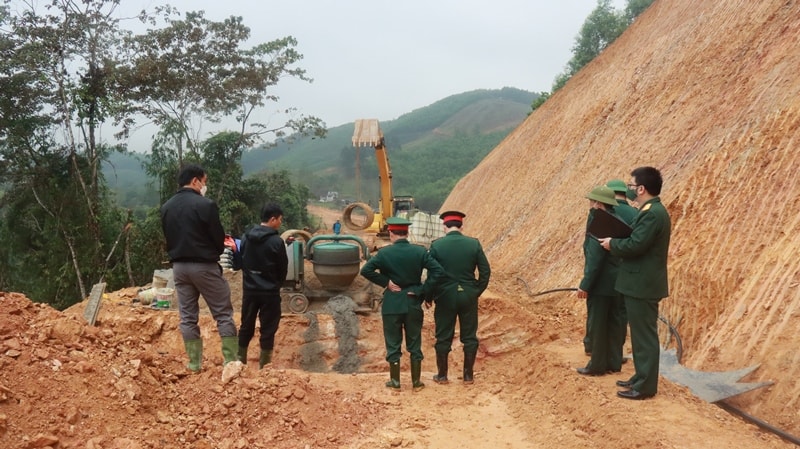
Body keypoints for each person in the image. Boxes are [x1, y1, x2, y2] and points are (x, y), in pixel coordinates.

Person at [599, 166, 671, 400]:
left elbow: (636, 245)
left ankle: (646, 386)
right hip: (640, 282)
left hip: (642, 283)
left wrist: (613, 244)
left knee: (644, 337)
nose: (629, 190)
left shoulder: (652, 213)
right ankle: (640, 377)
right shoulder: (651, 210)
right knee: (640, 335)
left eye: (631, 186)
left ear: (641, 188)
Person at [160, 164, 238, 372]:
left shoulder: (167, 206)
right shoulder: (205, 205)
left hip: (179, 268)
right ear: (195, 181)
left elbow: (168, 237)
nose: (205, 186)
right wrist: (212, 254)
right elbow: (217, 238)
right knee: (223, 314)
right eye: (204, 181)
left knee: (187, 317)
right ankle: (231, 362)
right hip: (204, 266)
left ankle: (194, 364)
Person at [360, 217, 444, 391]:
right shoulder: (419, 251)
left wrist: (386, 282)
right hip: (413, 302)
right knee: (414, 342)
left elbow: (365, 270)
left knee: (393, 342)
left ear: (391, 233)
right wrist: (423, 291)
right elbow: (438, 271)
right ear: (407, 233)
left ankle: (396, 382)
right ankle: (416, 382)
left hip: (392, 302)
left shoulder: (383, 253)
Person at [429, 211, 491, 385]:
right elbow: (485, 272)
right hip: (468, 296)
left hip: (444, 296)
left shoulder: (436, 246)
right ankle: (468, 376)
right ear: (462, 226)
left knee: (443, 336)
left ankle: (442, 375)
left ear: (444, 227)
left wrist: (430, 295)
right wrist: (475, 290)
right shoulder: (474, 244)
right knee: (469, 336)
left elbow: (431, 274)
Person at [576, 186, 626, 376]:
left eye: (592, 201)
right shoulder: (617, 221)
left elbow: (595, 259)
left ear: (598, 203)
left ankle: (596, 365)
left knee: (597, 324)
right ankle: (614, 363)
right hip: (617, 282)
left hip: (601, 284)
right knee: (614, 323)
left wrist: (585, 284)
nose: (590, 205)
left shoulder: (599, 223)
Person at [233, 203, 289, 369]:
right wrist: (275, 285)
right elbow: (282, 269)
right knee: (268, 329)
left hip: (249, 291)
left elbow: (241, 261)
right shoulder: (276, 242)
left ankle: (240, 362)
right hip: (270, 293)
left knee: (246, 326)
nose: (280, 223)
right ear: (273, 219)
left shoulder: (245, 237)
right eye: (279, 219)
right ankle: (265, 367)